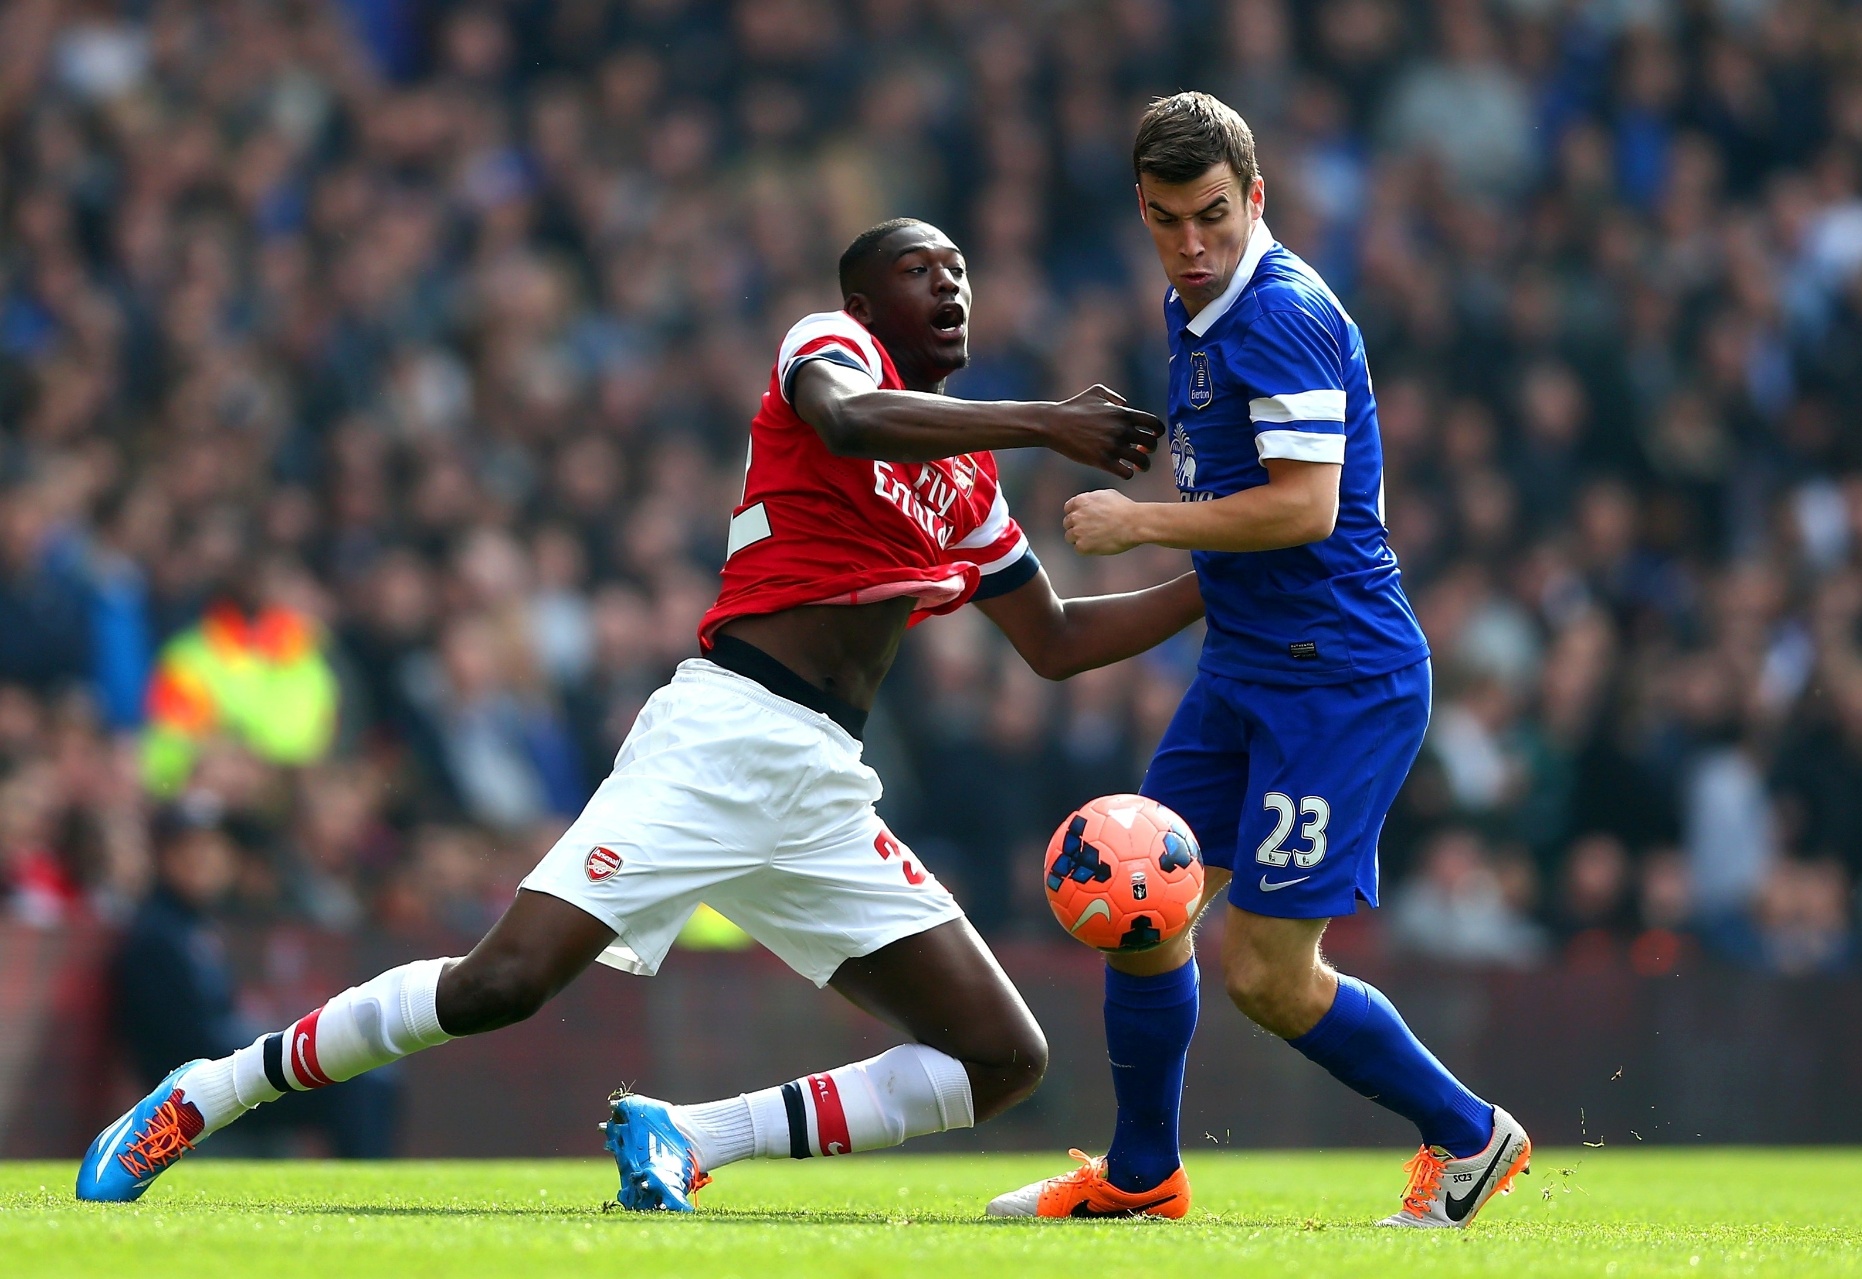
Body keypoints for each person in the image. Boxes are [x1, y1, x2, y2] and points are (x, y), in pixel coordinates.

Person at [79, 218, 1205, 1208]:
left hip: (819, 779)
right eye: (923, 269)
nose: (953, 287)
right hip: (720, 740)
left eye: (962, 271)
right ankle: (210, 1088)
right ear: (866, 299)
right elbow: (852, 422)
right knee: (500, 984)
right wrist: (1048, 421)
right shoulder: (831, 345)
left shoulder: (966, 481)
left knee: (1000, 1058)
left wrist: (1223, 571)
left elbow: (1055, 641)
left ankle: (690, 1135)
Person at [987, 94, 1530, 1228]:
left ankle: (1473, 1135)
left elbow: (1305, 507)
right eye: (1170, 220)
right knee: (1139, 905)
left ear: (1258, 198)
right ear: (1141, 209)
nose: (1193, 244)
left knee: (1267, 977)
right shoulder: (1195, 305)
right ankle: (1141, 1178)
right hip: (1246, 666)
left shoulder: (1280, 311)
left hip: (1339, 678)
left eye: (1215, 217)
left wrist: (1140, 523)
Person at [113, 804, 397, 1159]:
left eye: (214, 848)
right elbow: (188, 1043)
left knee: (364, 1069)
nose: (205, 860)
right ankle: (362, 1196)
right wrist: (270, 1052)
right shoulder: (157, 934)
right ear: (164, 856)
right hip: (198, 1097)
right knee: (356, 1081)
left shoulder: (194, 925)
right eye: (190, 849)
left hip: (225, 1073)